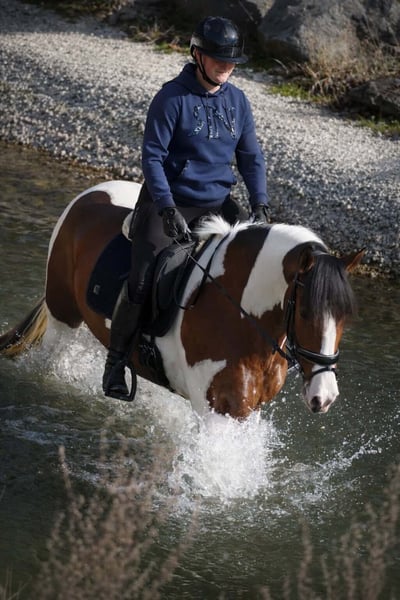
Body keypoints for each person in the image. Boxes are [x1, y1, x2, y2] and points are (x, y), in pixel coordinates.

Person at [102, 15, 271, 401]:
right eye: (219, 59)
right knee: (142, 279)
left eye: (231, 62)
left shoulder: (238, 101)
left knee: (253, 268)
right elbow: (152, 158)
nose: (226, 67)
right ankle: (115, 363)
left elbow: (251, 158)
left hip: (217, 204)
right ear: (197, 55)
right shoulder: (171, 98)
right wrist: (165, 207)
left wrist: (260, 202)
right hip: (169, 204)